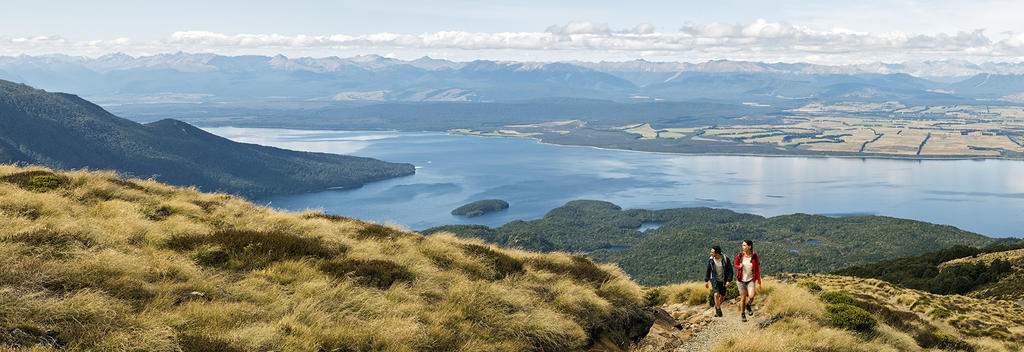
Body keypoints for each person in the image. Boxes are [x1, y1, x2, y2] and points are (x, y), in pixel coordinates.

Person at [733, 239, 761, 322]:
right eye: (742, 245)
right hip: (741, 280)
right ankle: (743, 314)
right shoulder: (740, 256)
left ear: (749, 246)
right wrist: (739, 267)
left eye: (744, 245)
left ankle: (748, 306)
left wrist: (759, 282)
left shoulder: (755, 256)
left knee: (751, 296)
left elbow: (757, 270)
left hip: (750, 279)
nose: (743, 247)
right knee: (743, 298)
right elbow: (735, 265)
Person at [704, 245, 733, 317]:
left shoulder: (725, 259)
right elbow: (708, 270)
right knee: (716, 294)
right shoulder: (711, 260)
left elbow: (730, 271)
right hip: (714, 279)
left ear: (717, 253)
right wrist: (706, 280)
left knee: (722, 297)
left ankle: (716, 307)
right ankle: (719, 310)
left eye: (712, 252)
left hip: (723, 280)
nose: (711, 253)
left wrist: (729, 280)